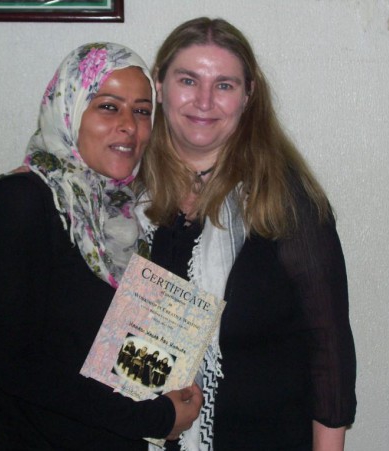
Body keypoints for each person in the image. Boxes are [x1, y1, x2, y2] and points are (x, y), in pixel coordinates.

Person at [0, 42, 202, 450]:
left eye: (142, 111)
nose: (129, 125)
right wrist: (153, 418)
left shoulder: (126, 217)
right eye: (108, 107)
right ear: (69, 111)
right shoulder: (20, 203)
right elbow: (16, 366)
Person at [136, 17, 357, 450]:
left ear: (248, 96)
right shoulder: (123, 192)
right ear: (159, 84)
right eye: (188, 80)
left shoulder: (285, 200)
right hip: (143, 434)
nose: (204, 101)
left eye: (224, 85)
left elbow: (329, 348)